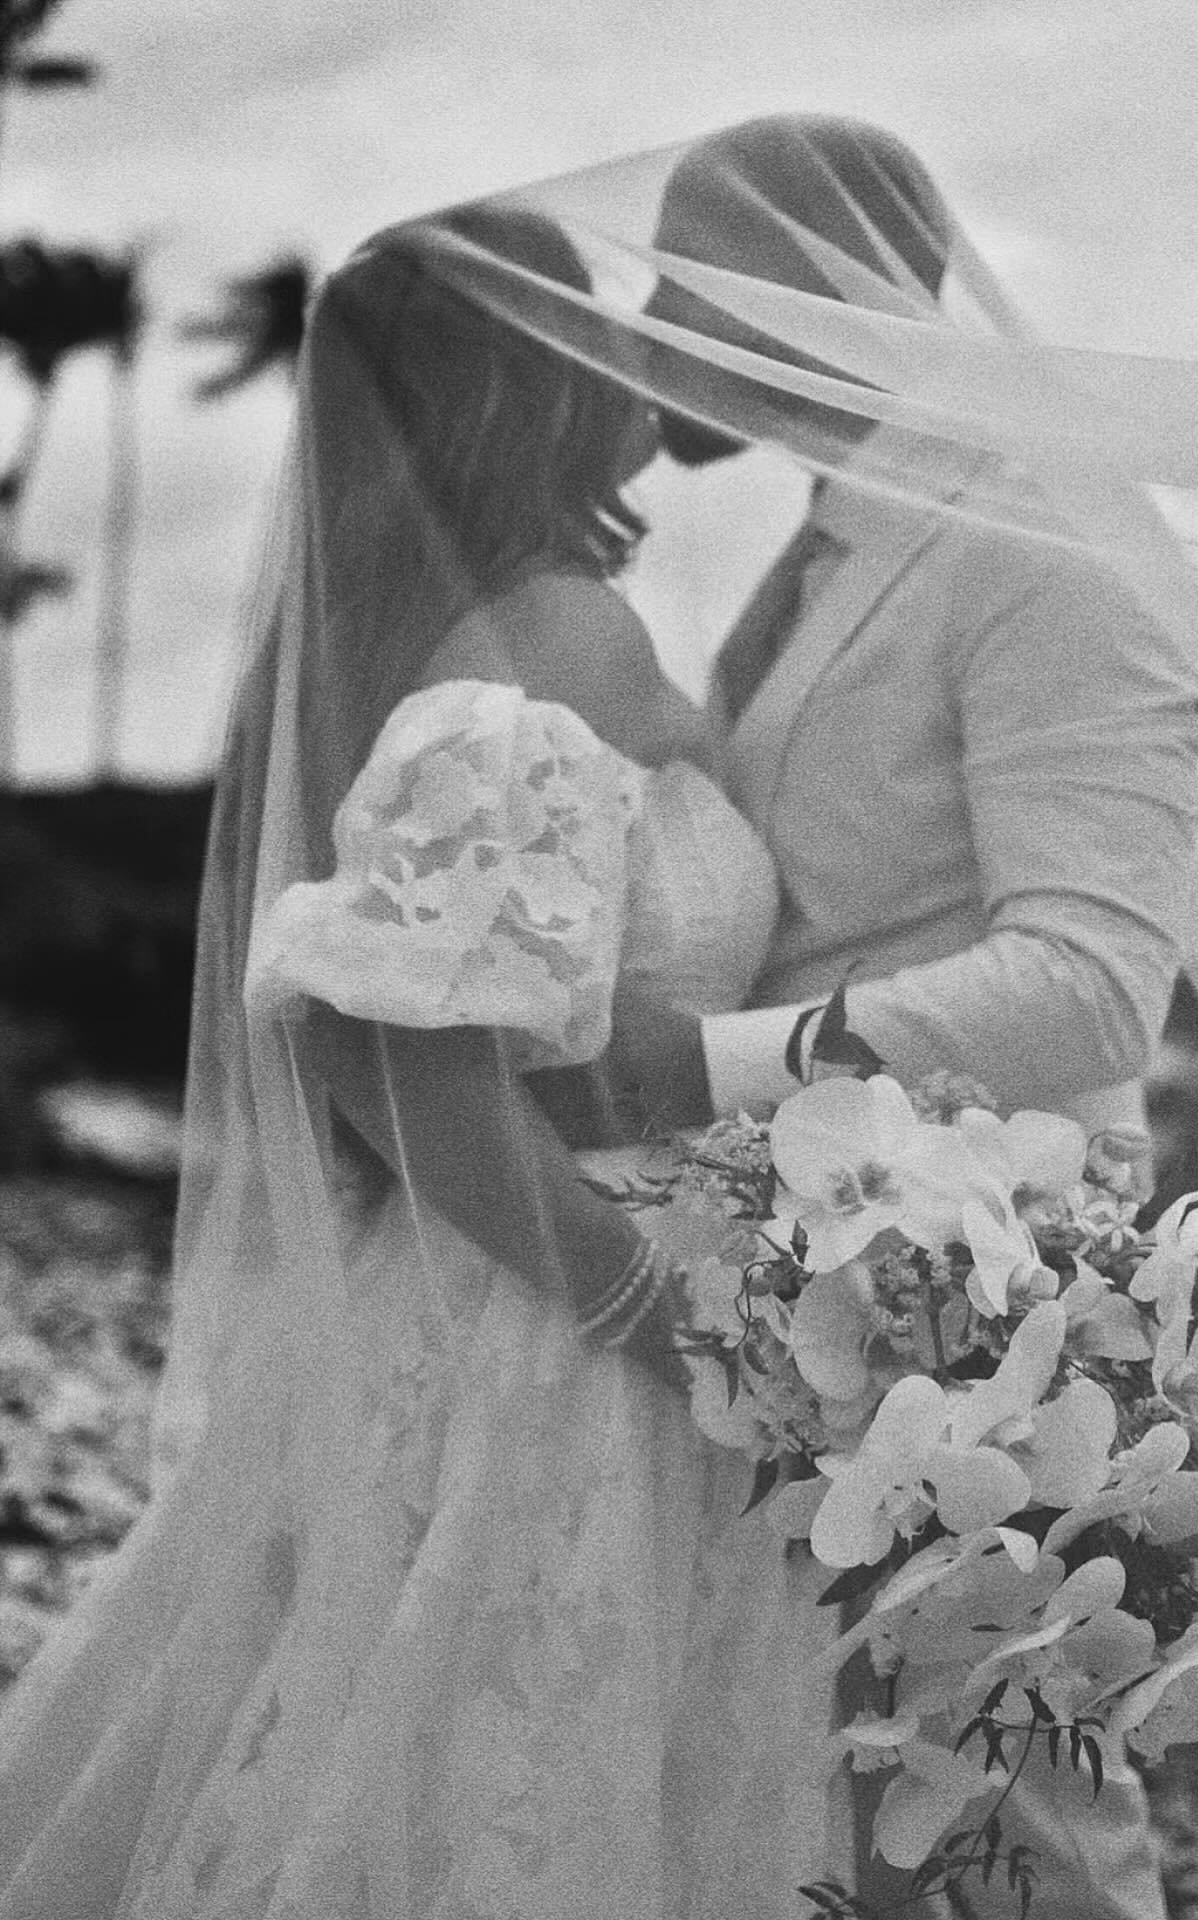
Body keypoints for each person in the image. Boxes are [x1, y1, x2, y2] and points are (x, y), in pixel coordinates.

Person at [0, 204, 835, 1920]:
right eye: (584, 326)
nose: (626, 355)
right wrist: (688, 1338)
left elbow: (368, 1056)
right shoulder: (543, 649)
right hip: (563, 1327)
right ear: (515, 391)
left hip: (474, 1299)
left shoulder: (418, 644)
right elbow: (438, 1094)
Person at [602, 114, 1198, 1920]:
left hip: (1003, 1299)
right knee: (844, 1809)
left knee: (1020, 1809)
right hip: (820, 1298)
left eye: (690, 277)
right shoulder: (836, 555)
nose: (654, 323)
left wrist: (695, 1066)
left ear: (818, 296)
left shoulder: (1039, 550)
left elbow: (1098, 979)